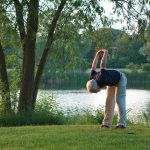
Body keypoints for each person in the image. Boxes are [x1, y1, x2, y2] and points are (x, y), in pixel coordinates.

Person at [86, 49, 127, 129]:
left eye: (96, 91)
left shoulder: (102, 78)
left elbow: (102, 65)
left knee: (120, 101)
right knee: (108, 102)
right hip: (111, 82)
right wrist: (97, 55)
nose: (97, 92)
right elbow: (93, 66)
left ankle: (121, 124)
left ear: (97, 86)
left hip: (121, 78)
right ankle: (106, 124)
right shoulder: (92, 79)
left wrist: (105, 53)